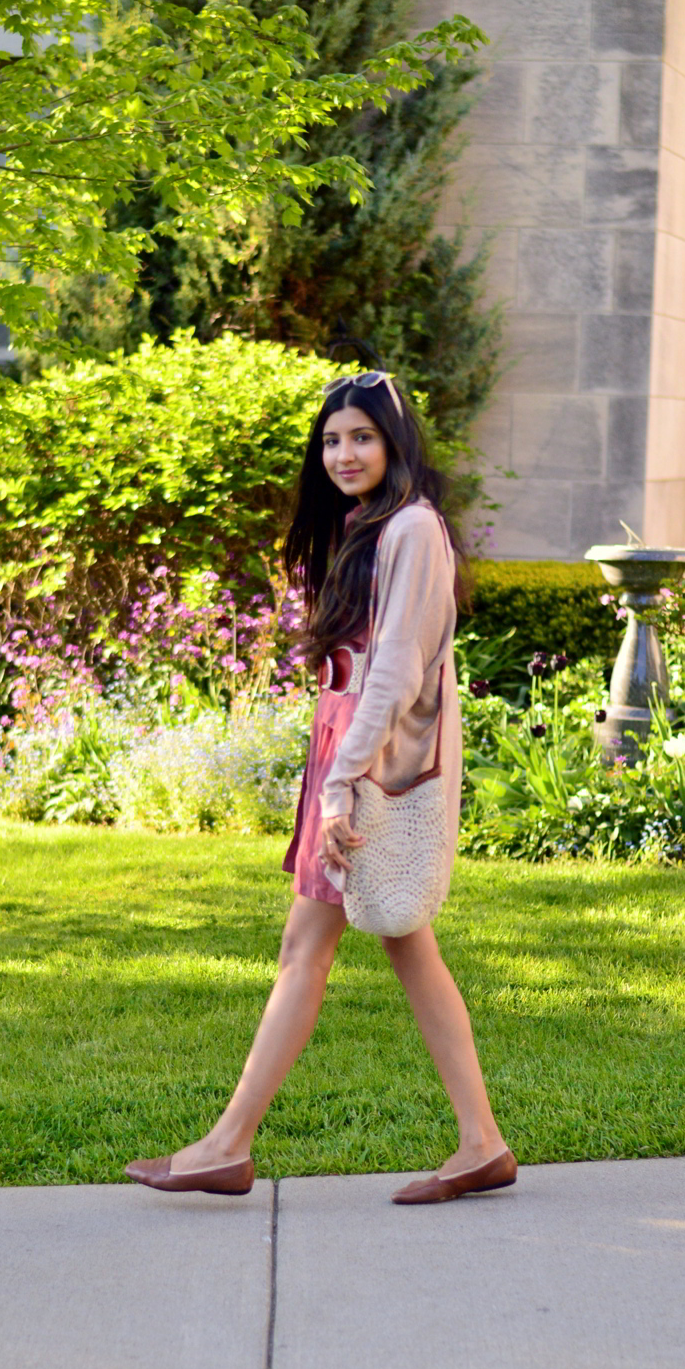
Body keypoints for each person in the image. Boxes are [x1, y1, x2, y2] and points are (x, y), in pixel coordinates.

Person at [124, 371, 514, 1205]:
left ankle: (229, 1145)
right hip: (347, 754)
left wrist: (342, 782)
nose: (343, 453)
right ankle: (477, 1141)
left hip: (368, 765)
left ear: (394, 442)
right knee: (376, 944)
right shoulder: (366, 525)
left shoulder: (411, 528)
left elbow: (396, 671)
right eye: (331, 440)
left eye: (361, 437)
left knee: (330, 946)